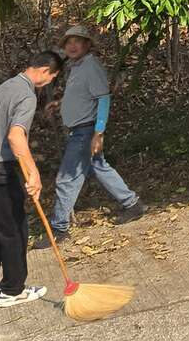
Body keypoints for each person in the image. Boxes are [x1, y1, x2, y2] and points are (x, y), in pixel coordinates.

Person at [0, 50, 61, 308]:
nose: (50, 82)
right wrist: (33, 173)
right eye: (52, 77)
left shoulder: (4, 87)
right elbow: (15, 136)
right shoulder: (27, 96)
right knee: (14, 229)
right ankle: (13, 289)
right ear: (45, 71)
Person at [48, 24, 144, 232]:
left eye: (77, 41)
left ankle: (59, 228)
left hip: (85, 131)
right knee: (100, 167)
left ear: (87, 44)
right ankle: (132, 204)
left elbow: (103, 98)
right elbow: (83, 95)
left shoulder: (91, 66)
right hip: (80, 129)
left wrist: (99, 133)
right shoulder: (77, 66)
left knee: (66, 178)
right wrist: (60, 104)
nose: (72, 46)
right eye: (68, 42)